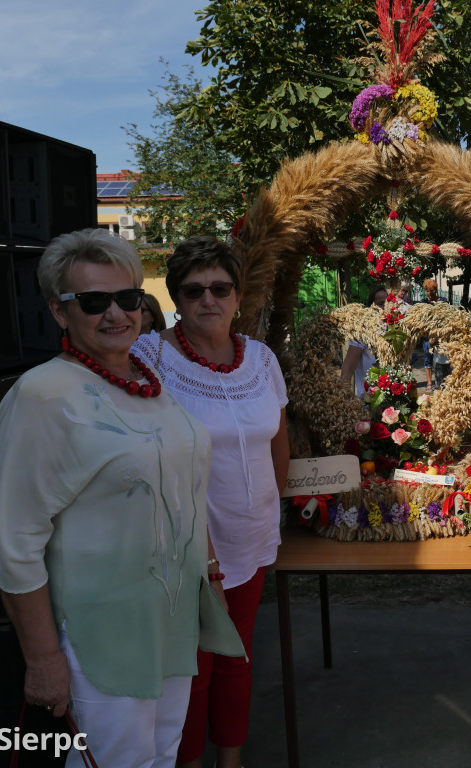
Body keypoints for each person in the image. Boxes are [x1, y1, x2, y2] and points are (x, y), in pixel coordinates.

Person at [0, 228, 243, 768]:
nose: (116, 314)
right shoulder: (42, 396)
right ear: (59, 312)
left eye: (128, 298)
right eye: (94, 302)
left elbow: (181, 482)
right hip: (100, 637)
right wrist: (42, 658)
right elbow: (14, 544)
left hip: (169, 623)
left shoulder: (145, 378)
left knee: (161, 757)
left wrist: (210, 567)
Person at [132, 235, 290, 768]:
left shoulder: (262, 360)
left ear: (238, 296)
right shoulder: (149, 357)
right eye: (193, 289)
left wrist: (273, 511)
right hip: (185, 546)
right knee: (191, 667)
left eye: (220, 288)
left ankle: (232, 760)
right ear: (175, 297)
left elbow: (279, 442)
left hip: (251, 536)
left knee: (237, 656)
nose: (208, 300)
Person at [340, 284, 388, 395]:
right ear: (371, 306)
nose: (385, 307)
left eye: (388, 303)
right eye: (381, 304)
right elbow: (348, 367)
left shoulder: (394, 328)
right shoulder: (362, 331)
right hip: (368, 399)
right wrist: (343, 398)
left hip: (393, 399)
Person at [419, 278, 448, 390]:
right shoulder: (423, 303)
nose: (429, 293)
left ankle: (440, 380)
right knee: (428, 358)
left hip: (440, 335)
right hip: (427, 335)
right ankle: (429, 382)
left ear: (435, 290)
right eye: (427, 291)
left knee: (441, 358)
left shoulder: (443, 301)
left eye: (431, 291)